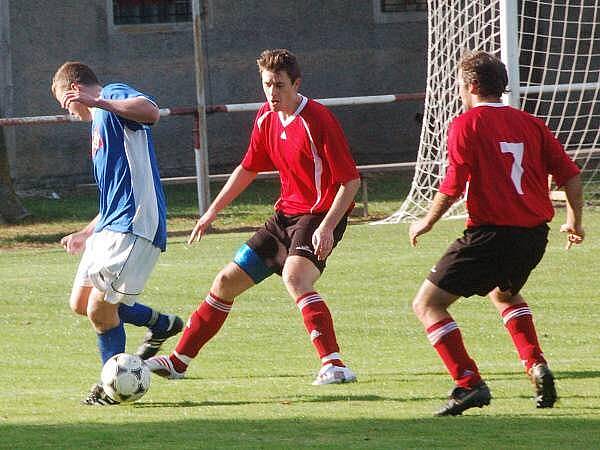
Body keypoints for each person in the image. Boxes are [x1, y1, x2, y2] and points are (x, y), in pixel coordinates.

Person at [146, 48, 360, 385]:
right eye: (267, 85)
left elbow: (351, 181)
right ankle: (178, 362)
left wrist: (329, 227)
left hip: (319, 214)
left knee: (295, 278)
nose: (272, 93)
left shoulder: (318, 119)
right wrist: (211, 213)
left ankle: (334, 365)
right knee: (225, 282)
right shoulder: (266, 118)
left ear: (296, 84)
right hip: (284, 216)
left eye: (279, 86)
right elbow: (247, 169)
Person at [408, 50, 584, 416]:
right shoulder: (531, 123)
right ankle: (536, 364)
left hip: (490, 234)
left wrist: (426, 220)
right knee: (504, 295)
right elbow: (570, 174)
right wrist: (575, 220)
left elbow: (453, 184)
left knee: (427, 304)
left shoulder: (466, 124)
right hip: (534, 235)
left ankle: (468, 384)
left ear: (471, 85)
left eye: (460, 83)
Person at [51, 62, 184, 405]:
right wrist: (85, 232)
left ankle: (110, 388)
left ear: (74, 90)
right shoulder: (98, 123)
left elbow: (152, 112)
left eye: (65, 103)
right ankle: (161, 323)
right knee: (81, 304)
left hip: (135, 224)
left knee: (100, 309)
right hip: (111, 225)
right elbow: (116, 194)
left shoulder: (111, 96)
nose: (69, 113)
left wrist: (100, 102)